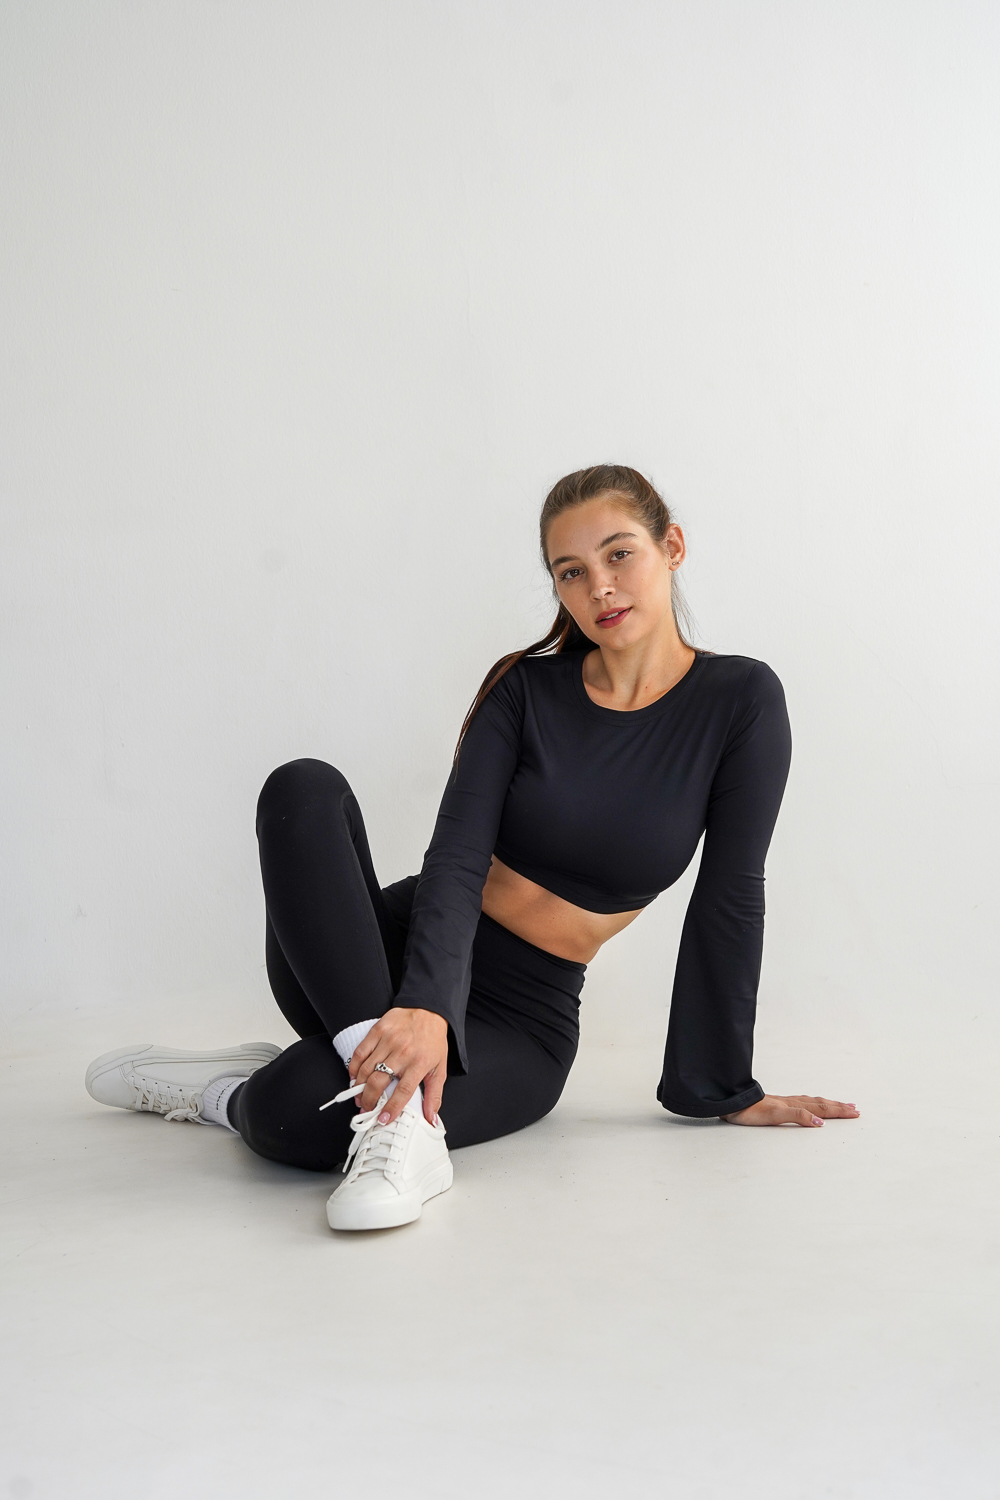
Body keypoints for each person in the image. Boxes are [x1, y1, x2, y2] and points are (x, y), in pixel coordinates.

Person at [85, 465, 859, 1232]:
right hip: (373, 958)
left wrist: (723, 1085)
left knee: (292, 1109)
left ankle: (228, 1091)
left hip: (520, 1020)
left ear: (672, 547)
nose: (600, 587)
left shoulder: (740, 700)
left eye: (620, 554)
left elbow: (730, 894)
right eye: (571, 571)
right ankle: (392, 1114)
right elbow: (455, 855)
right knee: (303, 788)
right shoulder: (524, 689)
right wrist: (426, 1004)